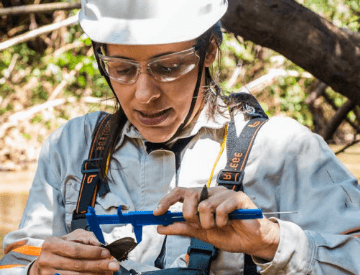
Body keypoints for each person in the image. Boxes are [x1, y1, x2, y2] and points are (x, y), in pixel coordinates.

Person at [1, 0, 360, 274]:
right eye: (122, 70)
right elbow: (16, 261)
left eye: (168, 67)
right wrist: (38, 268)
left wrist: (271, 242)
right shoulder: (70, 147)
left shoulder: (285, 150)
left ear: (210, 52)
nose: (144, 95)